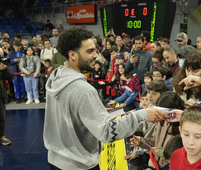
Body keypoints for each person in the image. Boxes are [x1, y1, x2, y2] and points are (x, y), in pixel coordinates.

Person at [43, 27, 165, 170]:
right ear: (73, 55)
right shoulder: (83, 89)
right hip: (78, 164)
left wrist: (96, 112)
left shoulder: (56, 76)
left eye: (95, 49)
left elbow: (67, 114)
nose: (96, 55)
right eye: (89, 51)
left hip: (56, 159)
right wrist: (142, 114)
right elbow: (106, 132)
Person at [0, 57, 13, 146]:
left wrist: (4, 69)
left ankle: (1, 136)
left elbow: (10, 77)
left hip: (1, 95)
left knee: (2, 117)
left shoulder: (1, 65)